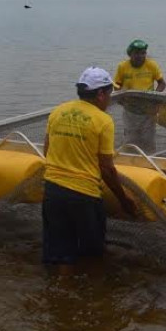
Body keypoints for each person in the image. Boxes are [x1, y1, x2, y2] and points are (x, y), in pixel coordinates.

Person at [42, 67, 138, 270]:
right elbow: (106, 168)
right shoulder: (103, 121)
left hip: (52, 192)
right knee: (93, 255)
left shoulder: (58, 111)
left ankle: (61, 292)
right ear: (100, 94)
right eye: (109, 94)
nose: (110, 100)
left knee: (60, 255)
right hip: (83, 195)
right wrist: (123, 200)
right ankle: (92, 297)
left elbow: (47, 151)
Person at [113, 39, 166, 153]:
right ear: (130, 54)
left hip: (148, 108)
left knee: (148, 138)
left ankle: (150, 160)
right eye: (136, 53)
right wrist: (121, 98)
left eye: (143, 53)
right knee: (131, 137)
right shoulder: (123, 66)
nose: (140, 56)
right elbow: (117, 85)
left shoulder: (151, 65)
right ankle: (129, 159)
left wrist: (155, 96)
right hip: (130, 108)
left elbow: (162, 83)